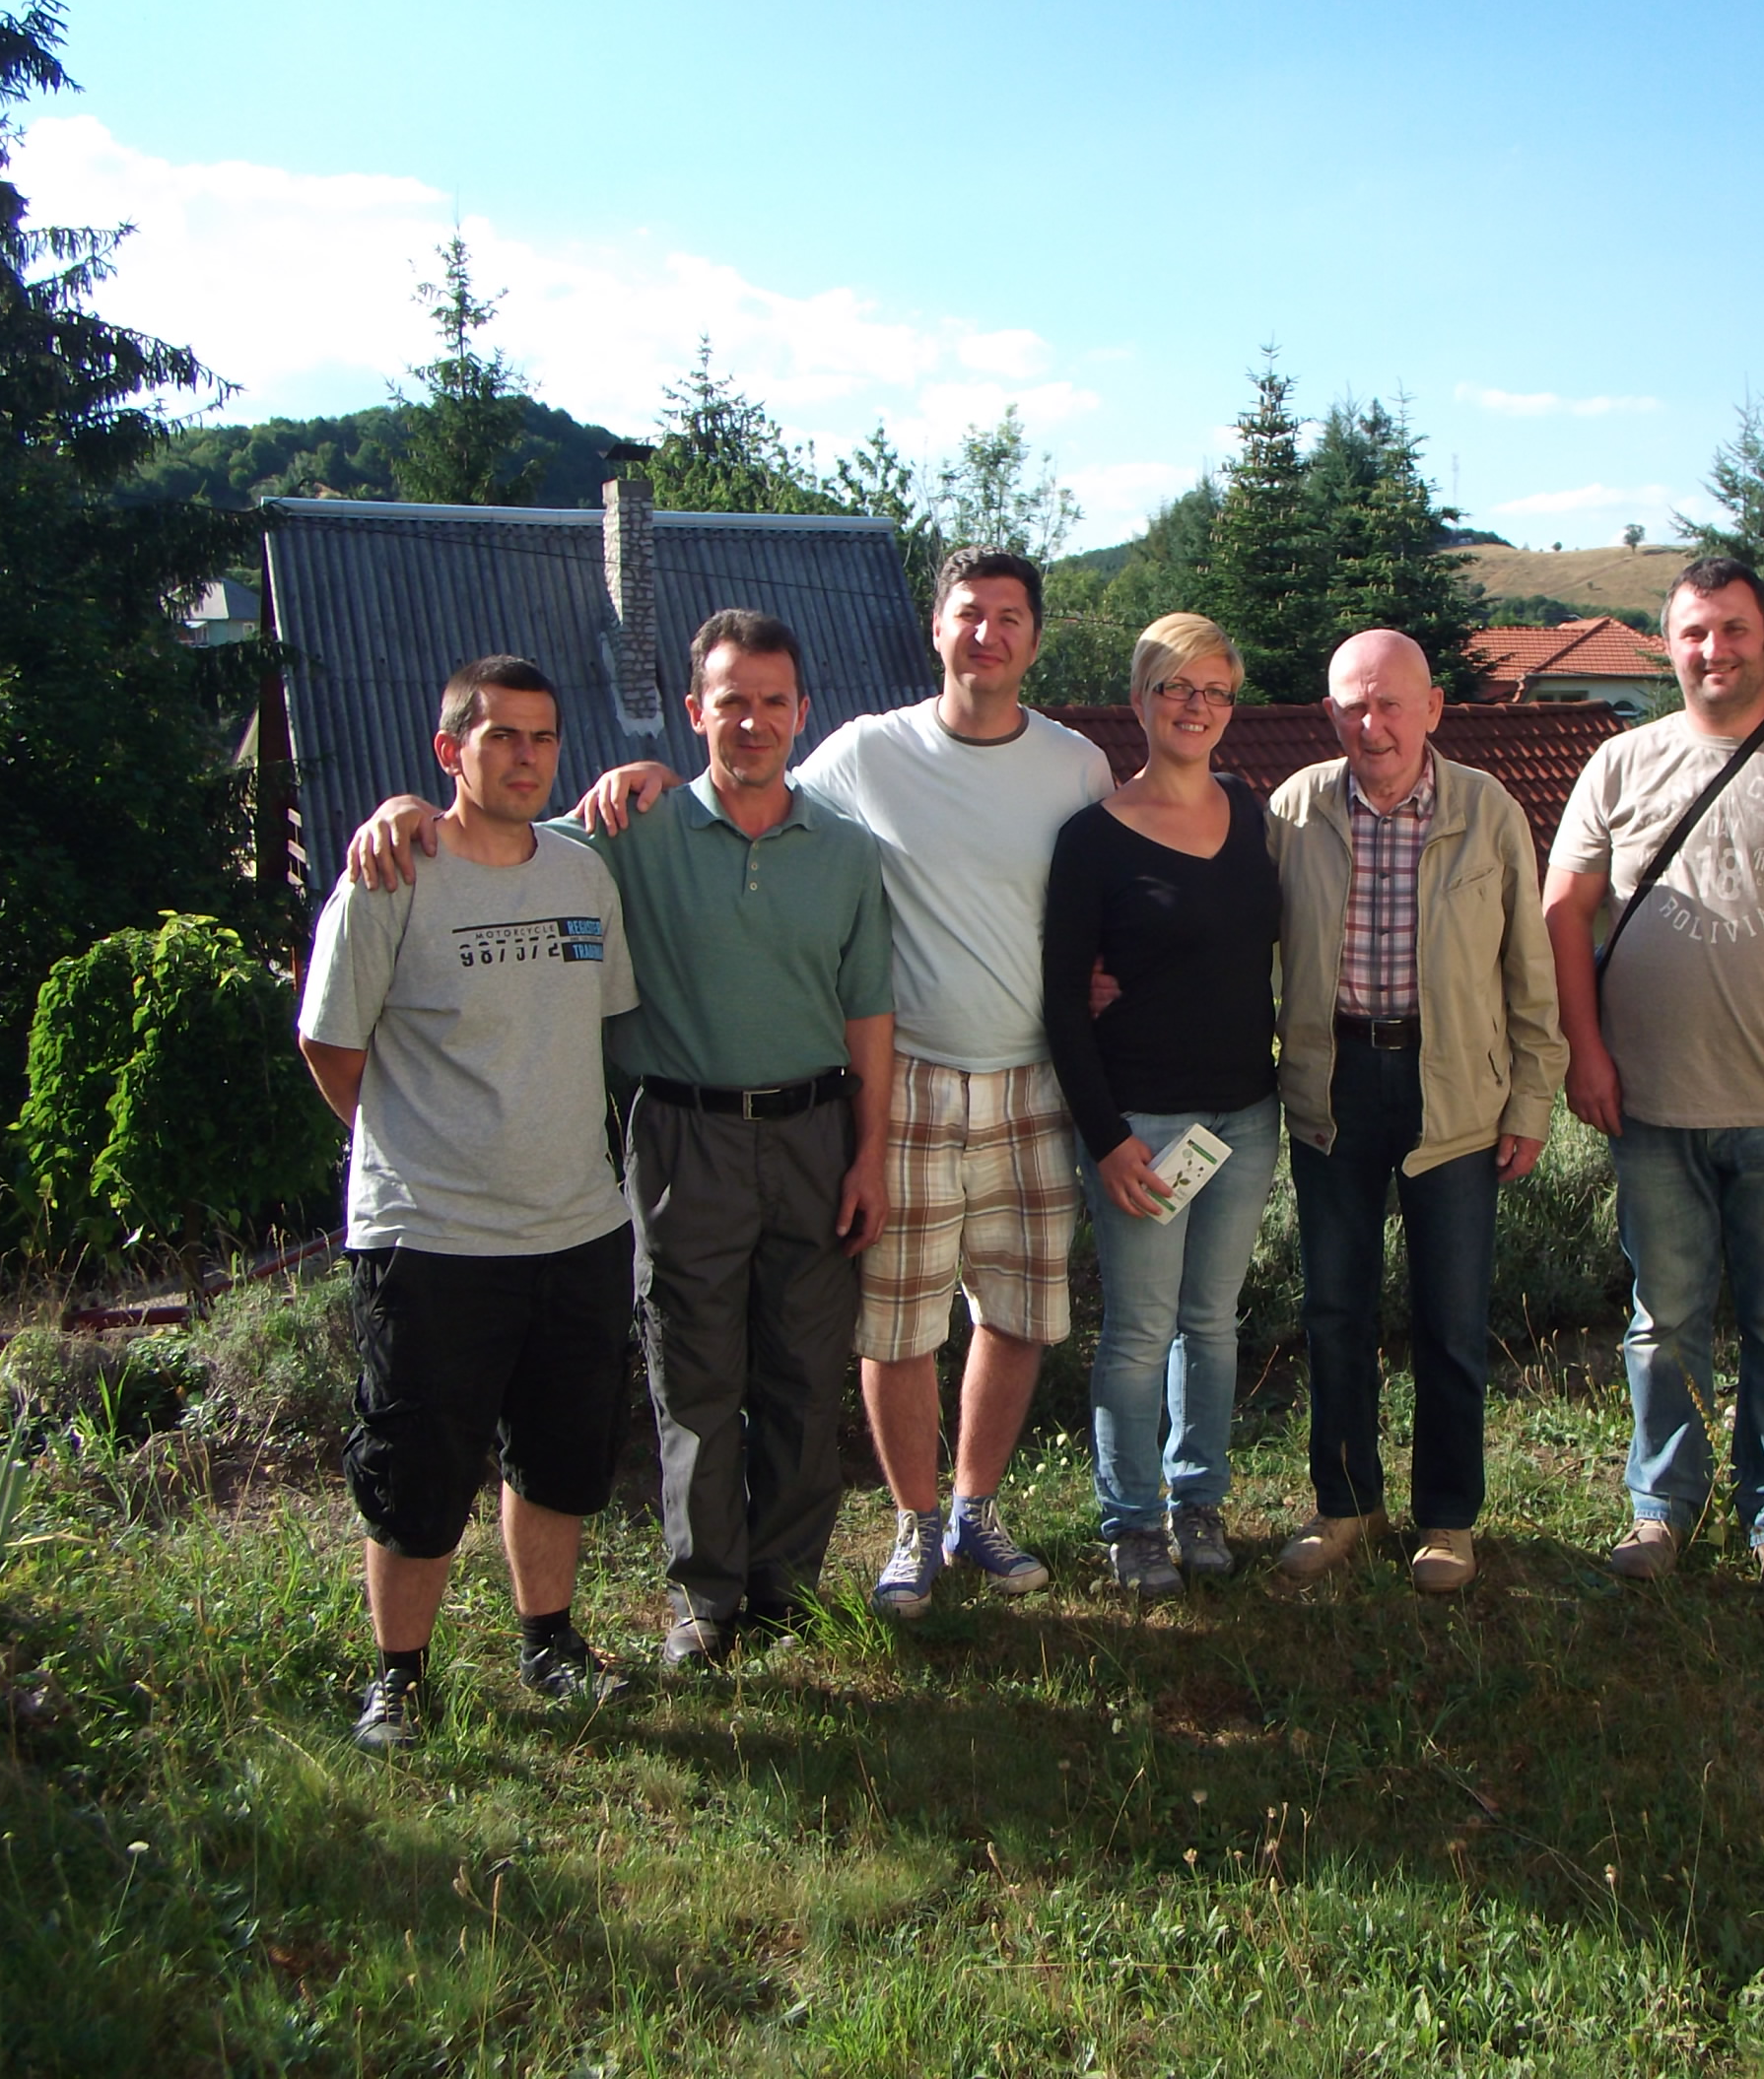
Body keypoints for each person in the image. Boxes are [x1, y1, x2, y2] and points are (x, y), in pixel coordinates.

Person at [347, 612, 896, 1670]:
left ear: (802, 713)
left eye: (772, 702)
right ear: (694, 712)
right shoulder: (625, 830)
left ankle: (787, 1592)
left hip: (816, 1133)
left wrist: (869, 1153)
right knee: (692, 1379)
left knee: (802, 1371)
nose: (752, 722)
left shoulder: (845, 849)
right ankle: (707, 1601)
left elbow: (869, 1009)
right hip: (682, 1135)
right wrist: (402, 811)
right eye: (730, 702)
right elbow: (494, 830)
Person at [588, 548, 1114, 1615]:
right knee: (898, 1325)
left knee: (1017, 1316)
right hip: (905, 1077)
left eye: (1010, 616)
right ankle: (914, 1526)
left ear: (1033, 637)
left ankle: (974, 1510)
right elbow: (755, 787)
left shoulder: (1078, 766)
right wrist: (653, 780)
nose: (988, 633)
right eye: (968, 613)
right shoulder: (870, 750)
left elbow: (1109, 890)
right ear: (936, 628)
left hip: (1033, 1079)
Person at [1543, 557, 1764, 1601]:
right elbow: (1563, 911)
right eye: (1695, 632)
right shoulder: (1620, 763)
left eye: (1734, 629)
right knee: (1661, 1323)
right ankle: (1661, 1509)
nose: (1715, 650)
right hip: (1650, 1102)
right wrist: (1585, 1051)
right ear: (1668, 644)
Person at [300, 655, 641, 1749]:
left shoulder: (582, 876)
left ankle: (551, 1642)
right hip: (432, 1236)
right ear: (451, 750)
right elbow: (330, 1044)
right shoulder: (391, 874)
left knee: (559, 1455)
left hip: (576, 1224)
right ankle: (399, 1678)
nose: (527, 758)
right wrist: (412, 1142)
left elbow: (596, 1024)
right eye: (502, 737)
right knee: (416, 1467)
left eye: (543, 738)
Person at [1264, 629, 1566, 1595]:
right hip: (1334, 1088)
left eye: (1391, 703)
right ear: (1329, 714)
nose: (1373, 724)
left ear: (1432, 708)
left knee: (1450, 1318)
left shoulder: (1487, 810)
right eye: (1354, 705)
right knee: (1334, 1310)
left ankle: (1446, 1517)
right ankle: (1345, 1503)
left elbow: (1529, 971)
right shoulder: (1293, 810)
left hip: (1456, 1092)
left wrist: (1531, 1098)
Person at [1041, 614, 1283, 1597]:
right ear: (1140, 700)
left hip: (1245, 1117)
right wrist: (1105, 1139)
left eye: (1214, 690)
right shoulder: (1092, 839)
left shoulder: (1250, 811)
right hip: (1142, 1123)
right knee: (1141, 1334)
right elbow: (1062, 1004)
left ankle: (1199, 1502)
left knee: (1212, 1324)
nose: (1196, 706)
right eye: (1177, 687)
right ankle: (1133, 1524)